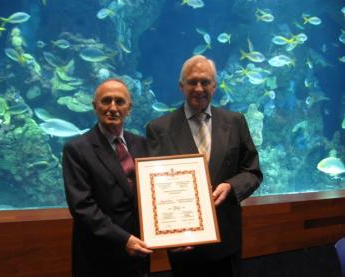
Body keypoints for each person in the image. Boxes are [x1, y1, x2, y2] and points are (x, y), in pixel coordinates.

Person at [146, 55, 263, 277]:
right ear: (181, 86)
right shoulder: (158, 129)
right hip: (184, 244)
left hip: (226, 241)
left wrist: (230, 186)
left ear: (215, 85)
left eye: (205, 82)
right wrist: (168, 236)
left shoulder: (235, 121)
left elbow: (252, 171)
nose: (198, 88)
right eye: (192, 82)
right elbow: (155, 189)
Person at [63, 78, 153, 277]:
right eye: (106, 101)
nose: (113, 107)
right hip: (99, 257)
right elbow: (82, 207)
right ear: (95, 106)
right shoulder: (77, 149)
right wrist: (123, 239)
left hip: (138, 255)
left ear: (129, 108)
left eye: (120, 102)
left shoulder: (142, 144)